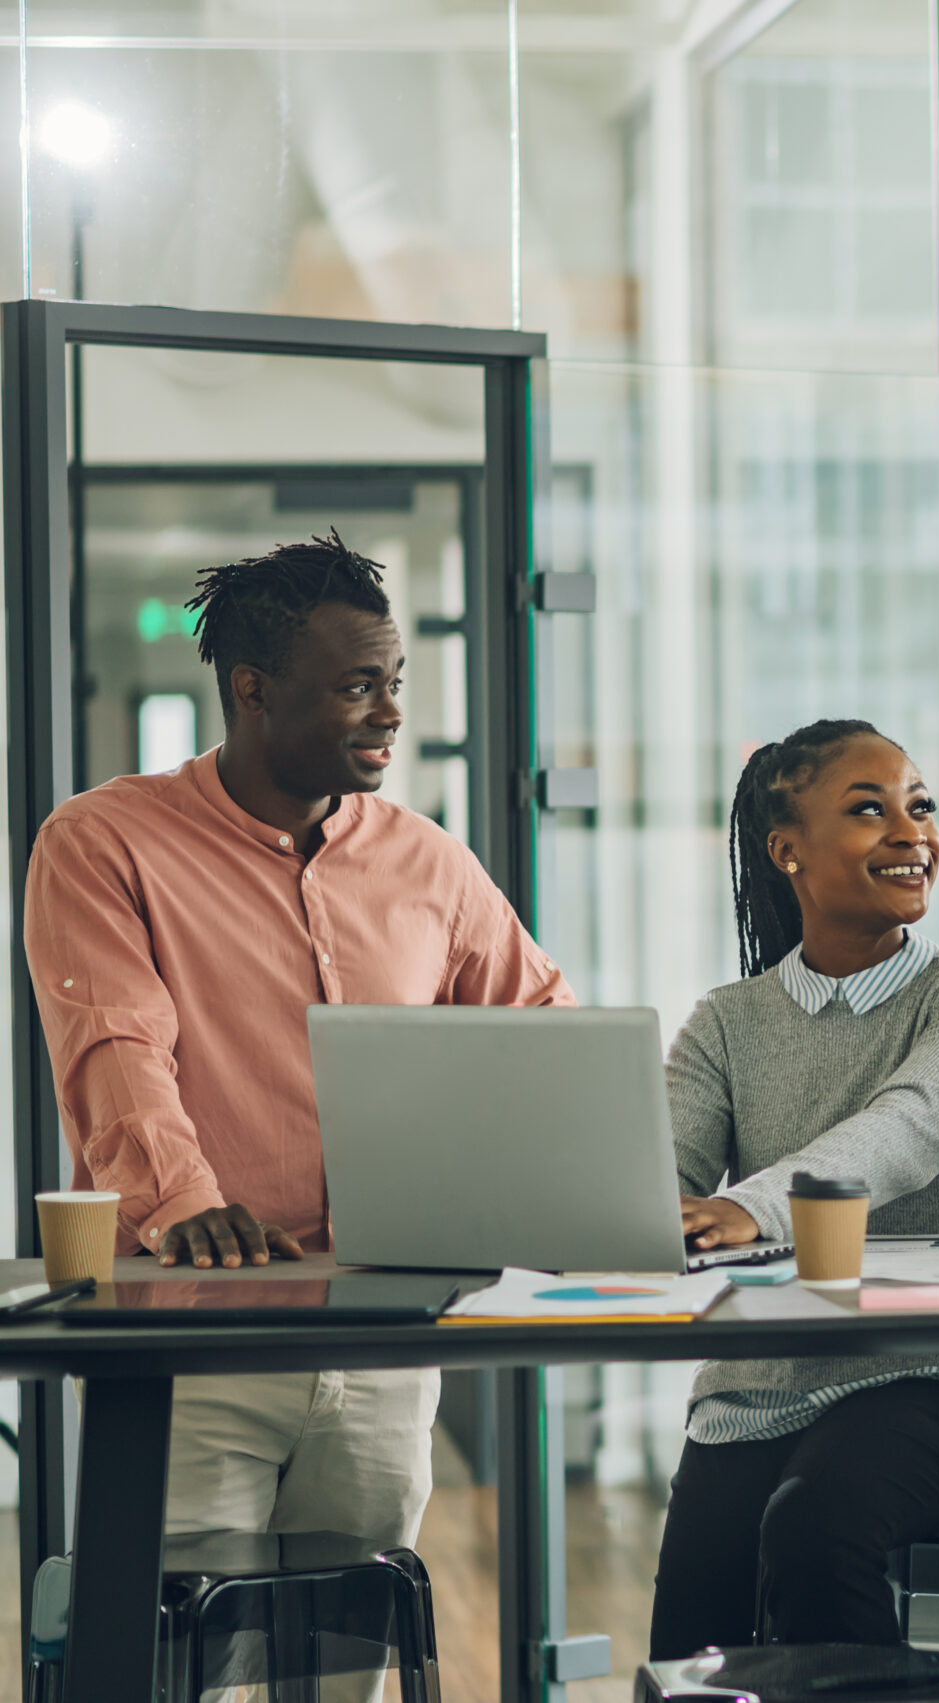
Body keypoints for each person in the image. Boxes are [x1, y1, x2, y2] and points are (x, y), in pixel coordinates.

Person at [23, 531, 573, 1551]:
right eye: (358, 685)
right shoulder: (103, 842)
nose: (392, 711)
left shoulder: (428, 860)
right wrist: (185, 1203)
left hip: (384, 1326)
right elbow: (116, 1048)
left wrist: (593, 1188)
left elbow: (544, 1034)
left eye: (396, 680)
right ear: (253, 689)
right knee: (183, 1642)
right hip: (197, 1322)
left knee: (346, 1647)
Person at [648, 718, 939, 1657]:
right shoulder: (728, 1023)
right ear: (787, 849)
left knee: (814, 1526)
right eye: (870, 811)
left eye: (920, 807)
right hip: (755, 1389)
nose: (912, 833)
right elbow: (657, 1184)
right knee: (692, 1642)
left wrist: (751, 1207)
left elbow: (906, 1128)